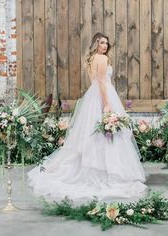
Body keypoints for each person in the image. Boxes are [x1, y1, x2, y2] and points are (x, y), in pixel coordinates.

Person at [28, 32, 147, 203]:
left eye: (107, 43)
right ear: (96, 44)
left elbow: (95, 81)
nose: (105, 46)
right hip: (102, 95)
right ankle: (107, 172)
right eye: (101, 43)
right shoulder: (103, 59)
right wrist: (106, 104)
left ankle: (96, 167)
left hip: (91, 97)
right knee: (105, 133)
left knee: (90, 134)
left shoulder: (91, 59)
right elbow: (101, 82)